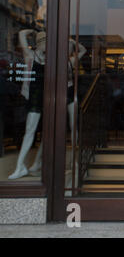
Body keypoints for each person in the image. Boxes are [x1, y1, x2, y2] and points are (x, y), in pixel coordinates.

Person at [8, 30, 86, 179]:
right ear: (39, 44)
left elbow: (82, 50)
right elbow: (22, 35)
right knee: (30, 130)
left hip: (52, 99)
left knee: (49, 133)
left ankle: (39, 162)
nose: (46, 48)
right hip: (36, 99)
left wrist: (69, 41)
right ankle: (20, 166)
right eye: (44, 44)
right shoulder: (31, 56)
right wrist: (32, 31)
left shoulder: (57, 60)